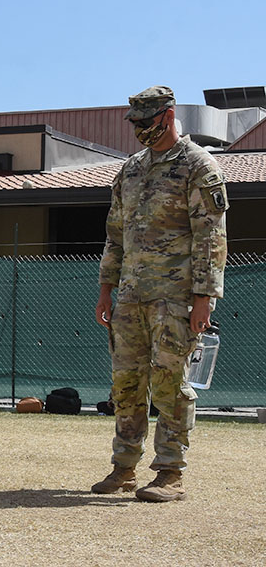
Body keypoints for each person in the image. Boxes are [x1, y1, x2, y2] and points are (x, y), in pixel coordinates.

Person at [92, 86, 228, 503]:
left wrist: (204, 297)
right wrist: (106, 289)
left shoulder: (197, 166)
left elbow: (211, 236)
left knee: (170, 382)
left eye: (145, 123)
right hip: (131, 296)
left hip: (176, 295)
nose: (139, 131)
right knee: (127, 383)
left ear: (167, 117)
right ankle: (124, 468)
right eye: (134, 123)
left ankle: (170, 473)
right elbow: (116, 234)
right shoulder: (130, 170)